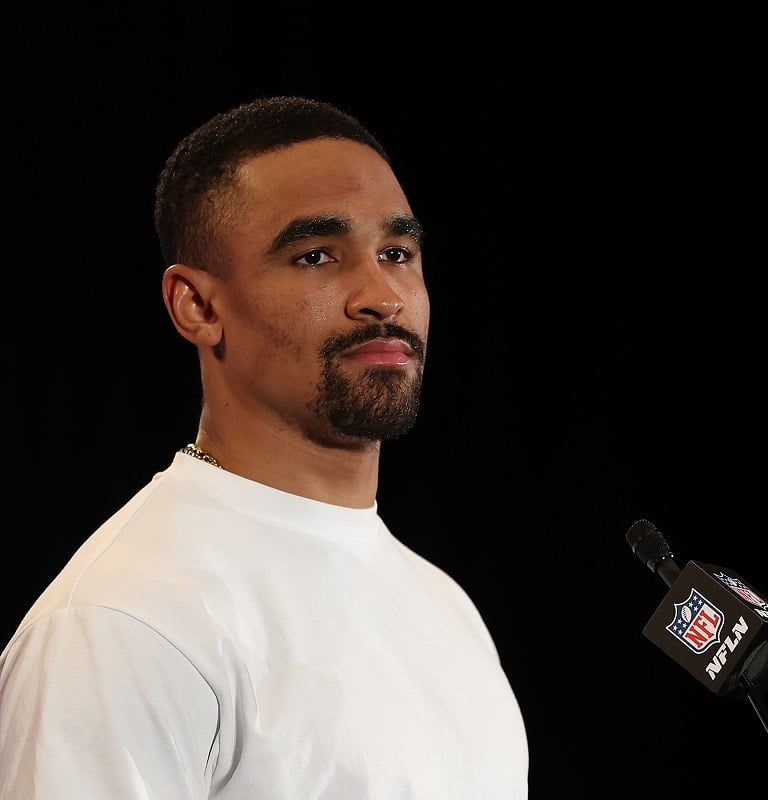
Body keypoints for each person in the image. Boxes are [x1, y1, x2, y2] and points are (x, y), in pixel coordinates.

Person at [0, 96, 528, 798]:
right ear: (199, 306)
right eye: (316, 256)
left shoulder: (447, 608)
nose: (382, 295)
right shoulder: (124, 619)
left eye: (397, 253)